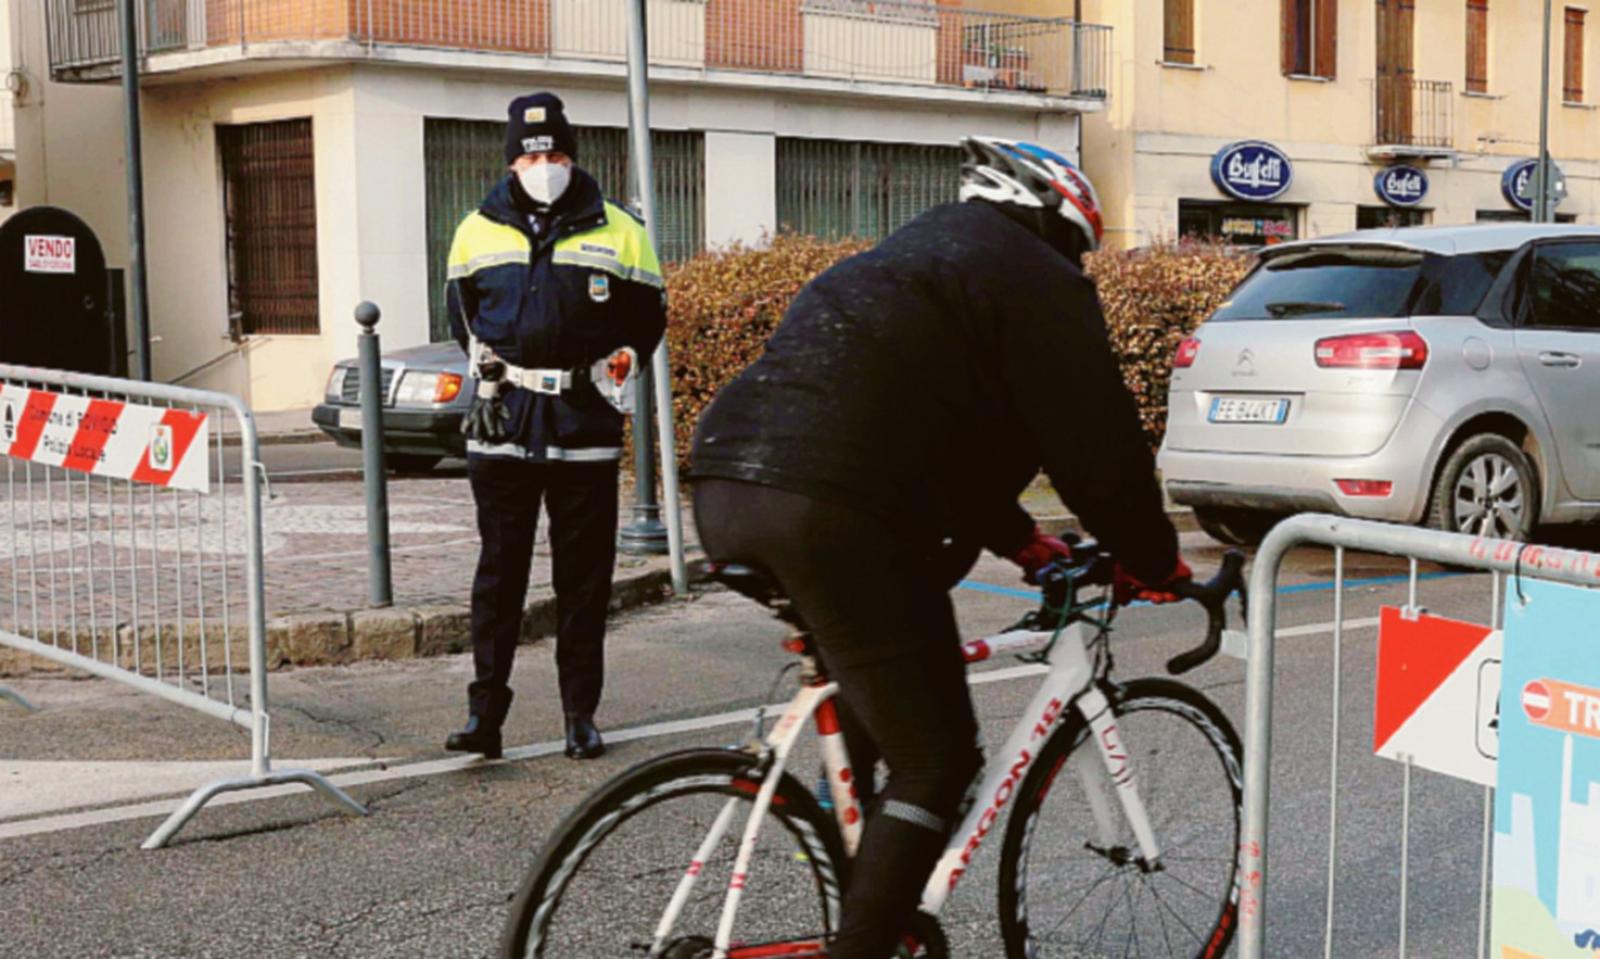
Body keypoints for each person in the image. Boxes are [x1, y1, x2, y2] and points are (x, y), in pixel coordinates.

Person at [689, 137, 1193, 957]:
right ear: (1057, 222)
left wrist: (1020, 538)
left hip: (726, 484)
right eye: (1078, 247)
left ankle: (866, 895)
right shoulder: (1037, 276)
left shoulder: (905, 261)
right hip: (838, 509)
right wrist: (1156, 558)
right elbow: (1097, 450)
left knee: (875, 696)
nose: (1077, 265)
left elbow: (933, 434)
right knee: (936, 760)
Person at [443, 92, 666, 762]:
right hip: (503, 419)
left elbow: (648, 316)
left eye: (555, 155)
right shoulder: (476, 228)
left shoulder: (619, 228)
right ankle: (485, 716)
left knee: (584, 579)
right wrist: (486, 363)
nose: (544, 167)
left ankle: (579, 715)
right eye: (531, 156)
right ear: (512, 162)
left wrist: (623, 360)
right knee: (499, 576)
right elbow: (461, 312)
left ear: (571, 156)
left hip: (582, 420)